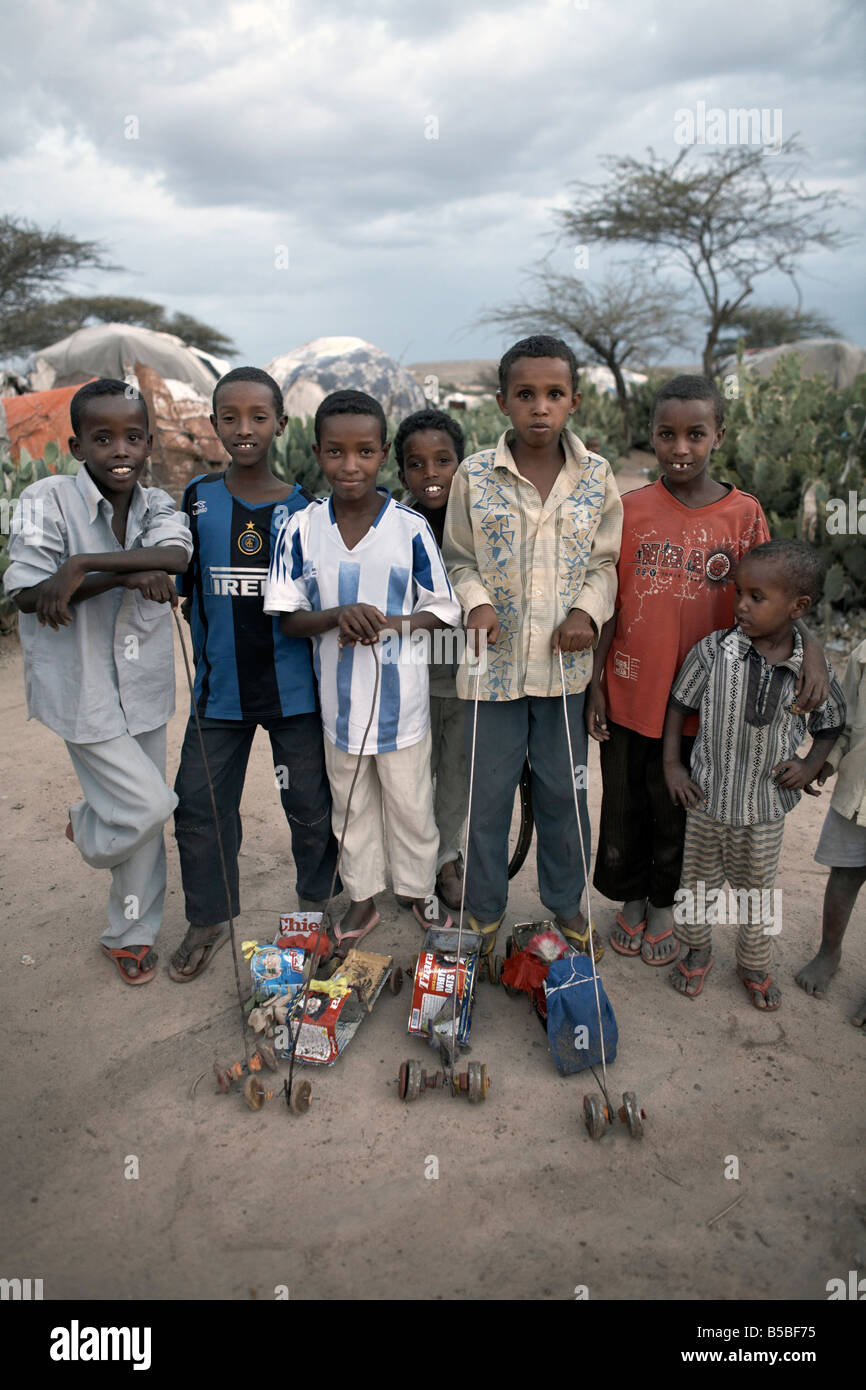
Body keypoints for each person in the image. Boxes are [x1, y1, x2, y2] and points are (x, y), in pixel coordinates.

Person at [587, 375, 829, 966]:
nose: (680, 448)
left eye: (695, 434)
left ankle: (665, 903)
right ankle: (631, 899)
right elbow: (607, 602)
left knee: (679, 812)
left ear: (718, 434)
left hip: (706, 707)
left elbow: (780, 591)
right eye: (666, 434)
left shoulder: (743, 515)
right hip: (629, 691)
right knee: (624, 804)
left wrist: (813, 648)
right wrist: (595, 684)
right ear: (651, 437)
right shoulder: (629, 510)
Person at [3, 379, 192, 985]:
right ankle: (89, 824)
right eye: (103, 437)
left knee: (137, 813)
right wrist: (125, 575)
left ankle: (129, 935)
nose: (120, 450)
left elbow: (174, 559)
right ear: (76, 445)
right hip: (78, 687)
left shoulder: (158, 504)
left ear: (148, 444)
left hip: (144, 686)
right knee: (150, 805)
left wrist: (83, 566)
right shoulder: (43, 499)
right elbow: (30, 596)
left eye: (133, 437)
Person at [442, 333, 623, 957]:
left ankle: (568, 908)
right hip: (491, 676)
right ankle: (485, 910)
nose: (539, 407)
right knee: (486, 798)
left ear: (573, 400)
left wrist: (585, 613)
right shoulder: (474, 476)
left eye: (553, 394)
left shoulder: (596, 478)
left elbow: (606, 565)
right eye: (525, 395)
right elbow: (458, 559)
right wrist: (477, 602)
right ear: (502, 403)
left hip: (563, 677)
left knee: (564, 795)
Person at [263, 389, 461, 954]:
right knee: (350, 807)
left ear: (382, 456)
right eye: (335, 452)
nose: (350, 466)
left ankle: (419, 890)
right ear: (317, 452)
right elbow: (289, 618)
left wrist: (393, 624)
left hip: (404, 704)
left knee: (411, 803)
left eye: (365, 452)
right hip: (340, 705)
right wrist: (336, 616)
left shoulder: (410, 528)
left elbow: (443, 609)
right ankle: (363, 896)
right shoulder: (300, 528)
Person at [170, 367, 340, 981]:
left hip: (294, 695)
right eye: (230, 417)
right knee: (199, 806)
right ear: (214, 423)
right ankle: (209, 917)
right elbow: (187, 588)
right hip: (219, 695)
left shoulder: (306, 511)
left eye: (259, 417)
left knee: (309, 805)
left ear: (280, 425)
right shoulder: (197, 499)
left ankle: (315, 910)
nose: (245, 430)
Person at [662, 540, 845, 1011]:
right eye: (739, 592)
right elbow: (679, 704)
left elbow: (830, 723)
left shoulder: (811, 672)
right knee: (697, 885)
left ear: (797, 607)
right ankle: (697, 948)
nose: (741, 604)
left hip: (763, 810)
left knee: (757, 893)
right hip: (706, 799)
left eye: (757, 597)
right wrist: (672, 765)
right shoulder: (714, 652)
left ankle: (753, 964)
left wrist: (808, 765)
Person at [394, 407, 468, 911]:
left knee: (457, 776)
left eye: (444, 461)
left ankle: (447, 859)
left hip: (467, 673)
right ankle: (414, 867)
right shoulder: (392, 525)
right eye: (417, 464)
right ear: (400, 473)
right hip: (413, 673)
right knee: (412, 778)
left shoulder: (480, 524)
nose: (431, 474)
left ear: (462, 465)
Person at [795, 636, 866, 1027]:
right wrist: (827, 762)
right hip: (859, 789)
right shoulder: (864, 655)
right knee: (844, 874)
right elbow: (848, 718)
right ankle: (829, 951)